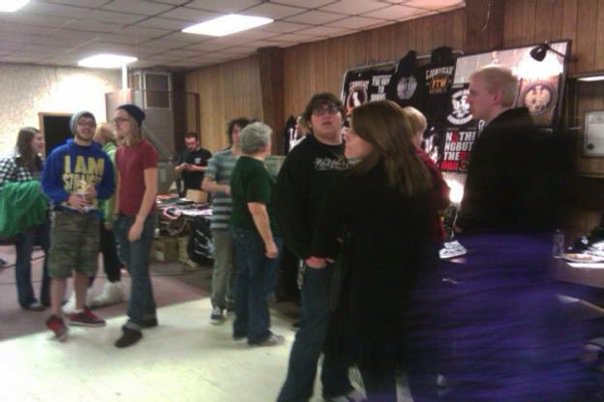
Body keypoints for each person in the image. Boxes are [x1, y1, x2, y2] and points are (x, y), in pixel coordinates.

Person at [439, 65, 596, 400]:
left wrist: (464, 242)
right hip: (533, 260)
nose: (468, 99)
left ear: (496, 96)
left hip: (496, 264)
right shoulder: (537, 136)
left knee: (492, 353)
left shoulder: (497, 140)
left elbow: (482, 208)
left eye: (474, 92)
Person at [310, 100, 433, 402]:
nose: (346, 135)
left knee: (377, 372)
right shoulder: (419, 176)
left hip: (372, 292)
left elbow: (321, 245)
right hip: (420, 289)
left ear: (375, 136)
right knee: (420, 371)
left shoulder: (349, 184)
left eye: (353, 130)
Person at [275, 93, 361, 402]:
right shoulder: (301, 156)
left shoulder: (354, 149)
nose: (326, 115)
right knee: (314, 329)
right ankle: (294, 394)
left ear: (342, 116)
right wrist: (307, 252)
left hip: (353, 257)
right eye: (319, 111)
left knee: (344, 326)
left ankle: (337, 385)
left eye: (332, 110)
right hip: (319, 259)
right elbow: (284, 209)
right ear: (309, 121)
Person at [41, 111, 115, 341]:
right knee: (59, 268)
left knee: (85, 266)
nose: (86, 127)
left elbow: (109, 186)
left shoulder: (102, 157)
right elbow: (47, 184)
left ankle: (79, 310)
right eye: (82, 123)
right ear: (75, 127)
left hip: (91, 218)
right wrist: (67, 197)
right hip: (65, 218)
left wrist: (98, 192)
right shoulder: (59, 153)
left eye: (90, 123)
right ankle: (56, 315)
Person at [229, 122, 284, 346]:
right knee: (260, 283)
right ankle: (259, 332)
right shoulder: (257, 170)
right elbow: (257, 208)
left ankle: (242, 326)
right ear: (264, 144)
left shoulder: (241, 164)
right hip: (255, 232)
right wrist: (269, 242)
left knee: (244, 279)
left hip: (240, 228)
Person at [112, 104, 159, 348]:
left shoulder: (146, 150)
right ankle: (149, 313)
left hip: (141, 218)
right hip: (123, 217)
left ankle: (134, 322)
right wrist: (115, 214)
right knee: (134, 269)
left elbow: (151, 188)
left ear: (135, 123)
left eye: (122, 119)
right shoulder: (120, 151)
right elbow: (121, 185)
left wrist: (139, 221)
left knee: (138, 270)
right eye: (115, 120)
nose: (117, 124)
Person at [202, 117, 251, 324]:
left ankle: (233, 301)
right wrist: (224, 188)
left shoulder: (252, 159)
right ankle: (217, 304)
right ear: (231, 134)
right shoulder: (219, 158)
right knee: (222, 264)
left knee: (240, 265)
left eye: (243, 131)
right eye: (235, 131)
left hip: (245, 221)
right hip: (222, 220)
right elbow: (205, 184)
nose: (238, 135)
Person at [0, 127, 50, 311]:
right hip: (23, 218)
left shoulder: (40, 161)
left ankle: (48, 296)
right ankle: (27, 299)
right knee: (24, 258)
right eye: (38, 139)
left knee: (53, 253)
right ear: (27, 140)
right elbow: (2, 188)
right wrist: (29, 188)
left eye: (42, 138)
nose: (42, 142)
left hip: (42, 215)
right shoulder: (9, 161)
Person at [90, 123, 126, 307]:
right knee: (108, 250)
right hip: (102, 210)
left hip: (104, 211)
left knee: (101, 251)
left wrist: (108, 215)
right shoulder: (109, 153)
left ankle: (106, 287)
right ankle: (113, 286)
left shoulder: (110, 155)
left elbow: (112, 188)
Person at [402, 106, 450, 241]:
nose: (422, 139)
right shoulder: (422, 161)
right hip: (424, 234)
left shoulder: (384, 157)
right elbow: (442, 200)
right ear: (416, 132)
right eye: (422, 133)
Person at [174, 132, 212, 197]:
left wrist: (197, 168)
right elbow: (175, 170)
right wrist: (181, 167)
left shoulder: (205, 153)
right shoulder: (183, 154)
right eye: (188, 144)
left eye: (192, 143)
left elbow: (212, 168)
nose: (190, 146)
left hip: (202, 189)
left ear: (197, 142)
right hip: (187, 190)